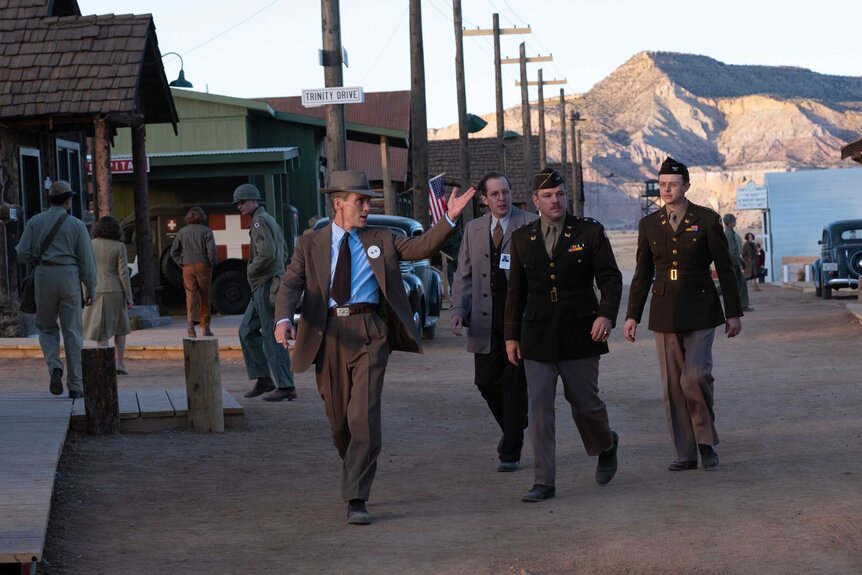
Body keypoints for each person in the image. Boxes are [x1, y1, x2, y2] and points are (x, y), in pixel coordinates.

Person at [273, 170, 475, 525]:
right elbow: (291, 284)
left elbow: (421, 246)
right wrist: (283, 319)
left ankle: (356, 497)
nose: (367, 207)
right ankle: (355, 465)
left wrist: (450, 217)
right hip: (327, 333)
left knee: (362, 416)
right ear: (339, 203)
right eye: (360, 201)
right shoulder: (310, 243)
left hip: (370, 332)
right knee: (339, 422)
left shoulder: (381, 237)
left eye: (369, 201)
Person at [504, 168, 622, 503]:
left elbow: (611, 279)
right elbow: (516, 291)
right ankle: (544, 481)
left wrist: (606, 315)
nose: (555, 200)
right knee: (539, 409)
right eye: (548, 195)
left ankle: (606, 443)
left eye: (560, 194)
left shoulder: (589, 231)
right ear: (535, 201)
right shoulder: (522, 238)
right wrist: (511, 337)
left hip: (581, 330)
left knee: (585, 404)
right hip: (537, 333)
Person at [624, 157, 743, 472]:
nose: (666, 189)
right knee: (672, 385)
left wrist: (733, 313)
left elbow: (726, 268)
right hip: (665, 311)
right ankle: (686, 452)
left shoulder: (706, 220)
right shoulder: (649, 225)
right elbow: (642, 273)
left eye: (673, 184)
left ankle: (705, 442)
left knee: (695, 376)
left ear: (686, 186)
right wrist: (632, 315)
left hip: (701, 308)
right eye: (662, 184)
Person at [450, 170, 537, 472]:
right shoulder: (473, 229)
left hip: (519, 319)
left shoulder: (529, 224)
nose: (502, 199)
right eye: (496, 194)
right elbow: (463, 275)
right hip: (484, 318)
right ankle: (515, 425)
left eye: (506, 192)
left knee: (514, 385)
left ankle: (510, 450)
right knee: (486, 382)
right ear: (485, 200)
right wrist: (459, 310)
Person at [15, 180, 96, 399]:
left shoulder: (35, 222)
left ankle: (55, 368)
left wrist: (37, 257)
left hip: (44, 275)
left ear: (49, 199)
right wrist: (91, 287)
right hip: (69, 276)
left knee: (46, 328)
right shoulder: (77, 225)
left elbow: (22, 253)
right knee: (73, 332)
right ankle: (76, 385)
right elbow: (87, 261)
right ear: (69, 200)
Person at [233, 183, 296, 402]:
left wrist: (251, 269)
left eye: (242, 201)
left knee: (271, 335)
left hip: (265, 284)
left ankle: (286, 385)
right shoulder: (268, 220)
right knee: (246, 331)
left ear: (254, 201)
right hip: (265, 283)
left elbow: (267, 254)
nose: (239, 206)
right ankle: (264, 379)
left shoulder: (259, 222)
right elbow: (284, 250)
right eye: (238, 203)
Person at [83, 216, 134, 374]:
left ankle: (103, 365)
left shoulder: (89, 246)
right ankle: (120, 364)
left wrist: (86, 293)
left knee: (101, 329)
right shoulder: (119, 246)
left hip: (96, 289)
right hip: (115, 290)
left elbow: (86, 271)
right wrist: (129, 296)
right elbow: (124, 273)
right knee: (120, 328)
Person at [171, 207, 217, 337]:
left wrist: (181, 262)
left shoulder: (182, 232)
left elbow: (174, 251)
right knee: (205, 296)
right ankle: (206, 328)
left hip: (187, 266)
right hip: (203, 265)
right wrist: (211, 264)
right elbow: (211, 252)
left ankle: (190, 327)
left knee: (191, 296)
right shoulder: (207, 231)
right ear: (202, 217)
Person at [723, 212, 752, 311]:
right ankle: (741, 305)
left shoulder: (731, 232)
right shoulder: (728, 234)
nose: (735, 222)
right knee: (732, 284)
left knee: (739, 283)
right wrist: (739, 261)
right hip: (733, 263)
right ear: (730, 222)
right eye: (733, 220)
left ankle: (742, 305)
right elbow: (732, 251)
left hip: (734, 262)